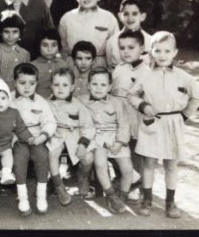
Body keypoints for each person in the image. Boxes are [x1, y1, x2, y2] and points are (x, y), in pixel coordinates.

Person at [128, 31, 199, 218]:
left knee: (171, 164)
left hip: (174, 124)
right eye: (157, 50)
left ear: (175, 52)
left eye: (167, 51)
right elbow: (132, 95)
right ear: (151, 51)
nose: (162, 55)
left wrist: (184, 116)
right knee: (150, 163)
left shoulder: (184, 77)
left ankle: (170, 202)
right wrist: (143, 105)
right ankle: (147, 199)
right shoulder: (146, 75)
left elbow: (196, 96)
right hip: (153, 123)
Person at [78, 67, 134, 214]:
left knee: (128, 169)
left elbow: (124, 124)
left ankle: (122, 195)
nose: (98, 88)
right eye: (94, 84)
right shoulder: (81, 101)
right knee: (100, 164)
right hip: (96, 138)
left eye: (103, 85)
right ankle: (111, 196)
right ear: (88, 85)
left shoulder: (117, 103)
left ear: (109, 87)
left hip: (115, 137)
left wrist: (120, 142)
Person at [10, 63, 56, 215]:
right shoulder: (9, 99)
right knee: (19, 160)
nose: (27, 87)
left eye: (32, 83)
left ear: (37, 83)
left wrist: (42, 136)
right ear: (14, 82)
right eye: (22, 83)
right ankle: (22, 197)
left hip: (36, 137)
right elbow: (0, 118)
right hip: (17, 139)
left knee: (42, 157)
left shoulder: (41, 101)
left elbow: (49, 121)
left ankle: (41, 195)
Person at [47, 68, 96, 206]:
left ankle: (83, 176)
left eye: (65, 85)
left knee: (88, 157)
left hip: (75, 135)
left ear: (72, 87)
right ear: (51, 86)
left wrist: (82, 143)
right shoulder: (46, 103)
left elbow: (88, 125)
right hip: (56, 134)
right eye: (56, 85)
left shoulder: (78, 104)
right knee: (52, 152)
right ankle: (58, 185)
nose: (60, 89)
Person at [111, 30, 151, 191]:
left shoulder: (147, 72)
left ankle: (137, 183)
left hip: (135, 119)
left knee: (135, 151)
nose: (125, 51)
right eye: (122, 48)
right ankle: (122, 176)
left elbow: (148, 100)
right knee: (117, 149)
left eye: (130, 47)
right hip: (117, 118)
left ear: (141, 48)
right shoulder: (119, 68)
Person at [58, 0, 119, 67]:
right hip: (73, 66)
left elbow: (115, 49)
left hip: (100, 67)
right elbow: (62, 48)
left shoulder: (108, 18)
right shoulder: (67, 18)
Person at [0, 10, 30, 90]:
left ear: (20, 33)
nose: (11, 36)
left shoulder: (25, 54)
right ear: (0, 32)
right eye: (6, 32)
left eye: (15, 32)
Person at [106, 0, 152, 70]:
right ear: (120, 16)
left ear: (142, 16)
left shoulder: (151, 41)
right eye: (126, 14)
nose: (130, 18)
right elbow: (109, 67)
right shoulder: (111, 41)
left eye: (134, 14)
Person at [30, 28, 73, 98]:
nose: (50, 49)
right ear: (38, 46)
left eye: (54, 45)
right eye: (45, 45)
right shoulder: (32, 66)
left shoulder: (63, 64)